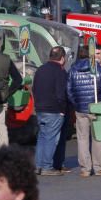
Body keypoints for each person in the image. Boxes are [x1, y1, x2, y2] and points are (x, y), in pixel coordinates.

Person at [67, 46, 101, 177]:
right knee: (98, 138)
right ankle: (99, 167)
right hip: (96, 108)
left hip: (80, 109)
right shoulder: (99, 69)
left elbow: (69, 90)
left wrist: (76, 104)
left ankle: (85, 168)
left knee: (82, 138)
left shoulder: (72, 70)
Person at [32, 46, 69, 176]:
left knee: (42, 137)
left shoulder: (40, 70)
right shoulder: (60, 72)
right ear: (63, 58)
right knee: (51, 138)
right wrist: (62, 110)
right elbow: (61, 93)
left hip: (40, 109)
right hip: (54, 110)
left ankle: (38, 165)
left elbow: (34, 88)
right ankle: (47, 166)